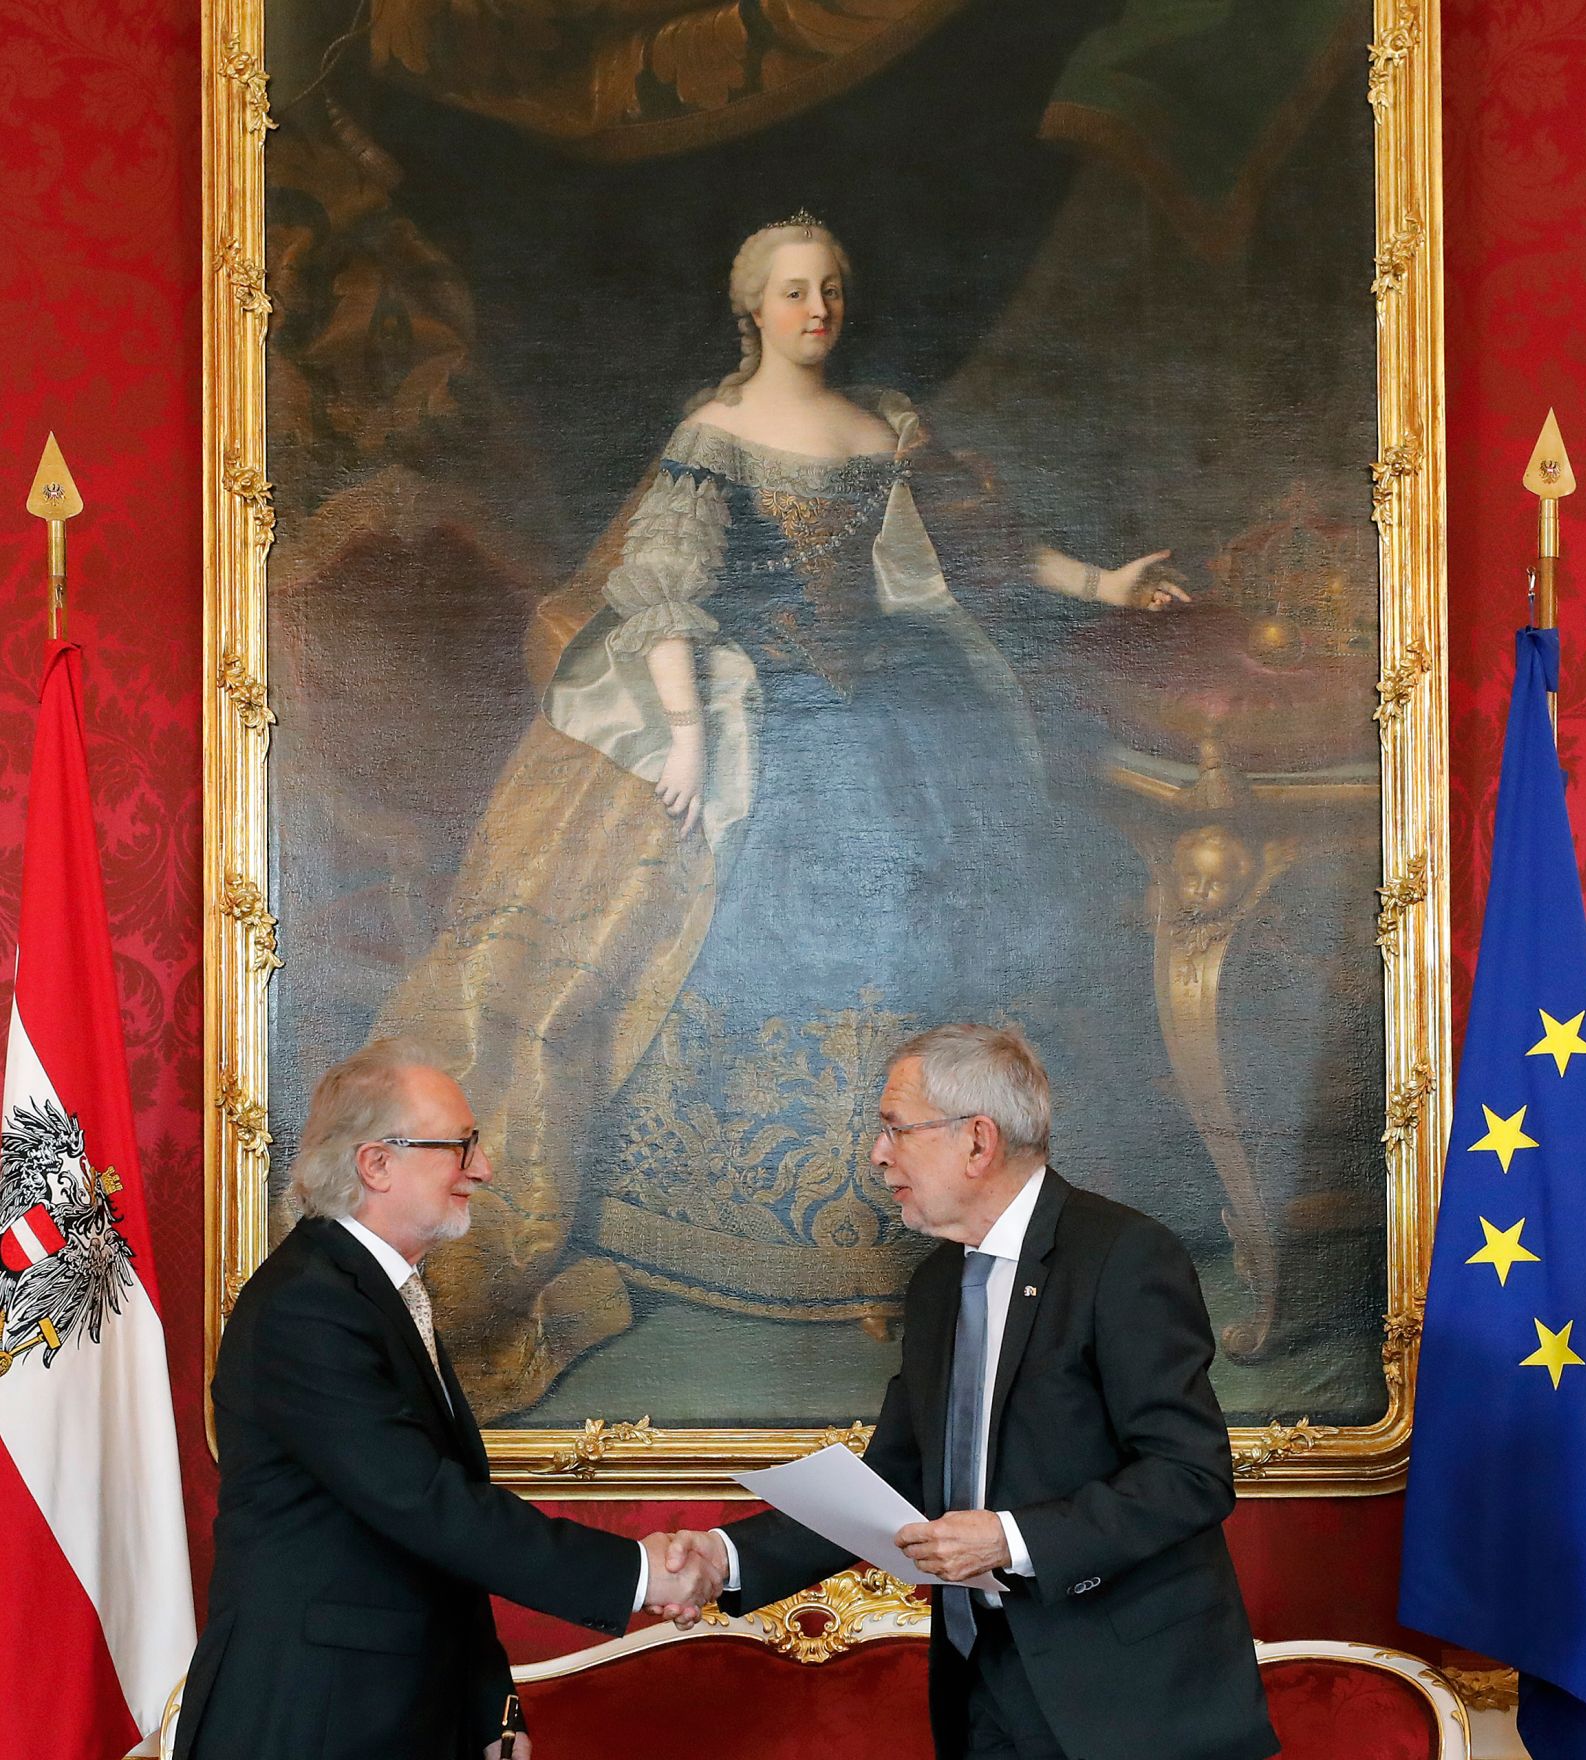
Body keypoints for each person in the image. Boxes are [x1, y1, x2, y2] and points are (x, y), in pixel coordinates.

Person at [379, 212, 1186, 1418]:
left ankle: (901, 1223)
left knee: (929, 941)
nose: (819, 308)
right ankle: (734, 1228)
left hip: (896, 710)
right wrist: (690, 742)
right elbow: (659, 593)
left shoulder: (885, 424)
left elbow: (982, 547)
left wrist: (1101, 583)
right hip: (761, 714)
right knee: (735, 936)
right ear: (749, 307)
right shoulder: (716, 434)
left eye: (832, 289)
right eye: (795, 291)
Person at [666, 1024, 1278, 1760]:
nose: (877, 1154)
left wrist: (1010, 1539)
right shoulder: (936, 1285)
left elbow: (1189, 1474)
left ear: (977, 1142)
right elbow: (895, 1480)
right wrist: (722, 1557)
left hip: (1127, 1703)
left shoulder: (1123, 1257)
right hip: (980, 1684)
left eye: (894, 1128)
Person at [171, 1039, 725, 1760]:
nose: (483, 1169)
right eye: (461, 1146)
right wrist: (643, 1573)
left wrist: (489, 1709)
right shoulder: (307, 1305)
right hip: (310, 1716)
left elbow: (431, 1543)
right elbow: (424, 1503)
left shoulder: (375, 1293)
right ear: (376, 1163)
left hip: (389, 1712)